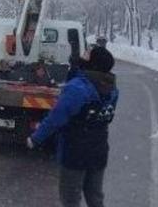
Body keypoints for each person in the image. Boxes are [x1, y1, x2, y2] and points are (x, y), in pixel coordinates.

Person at [27, 43, 119, 207]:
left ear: (93, 63)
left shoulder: (78, 88)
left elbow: (57, 117)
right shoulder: (112, 89)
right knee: (95, 197)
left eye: (87, 54)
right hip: (98, 150)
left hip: (75, 151)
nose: (83, 55)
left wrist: (36, 138)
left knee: (70, 198)